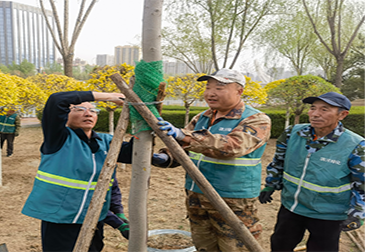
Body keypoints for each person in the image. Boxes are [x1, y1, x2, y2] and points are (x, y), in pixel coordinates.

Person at [155, 68, 272, 252]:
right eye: (208, 87)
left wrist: (183, 135)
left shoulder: (255, 119)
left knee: (235, 248)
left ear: (239, 91)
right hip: (197, 196)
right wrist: (165, 157)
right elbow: (184, 149)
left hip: (232, 199)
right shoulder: (203, 117)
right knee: (204, 246)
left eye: (219, 88)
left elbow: (232, 146)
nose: (211, 93)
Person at [21, 91, 134, 252]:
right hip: (61, 220)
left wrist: (141, 126)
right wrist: (108, 96)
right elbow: (56, 100)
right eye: (79, 109)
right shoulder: (59, 138)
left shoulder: (107, 142)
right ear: (66, 115)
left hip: (94, 218)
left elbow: (131, 156)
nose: (88, 113)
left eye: (93, 110)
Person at [260, 92, 365, 252]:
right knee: (280, 245)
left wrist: (357, 212)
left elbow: (362, 184)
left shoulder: (355, 145)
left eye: (324, 109)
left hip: (329, 214)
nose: (315, 114)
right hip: (292, 207)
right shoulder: (293, 133)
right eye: (313, 108)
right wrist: (271, 184)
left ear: (342, 115)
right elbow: (278, 161)